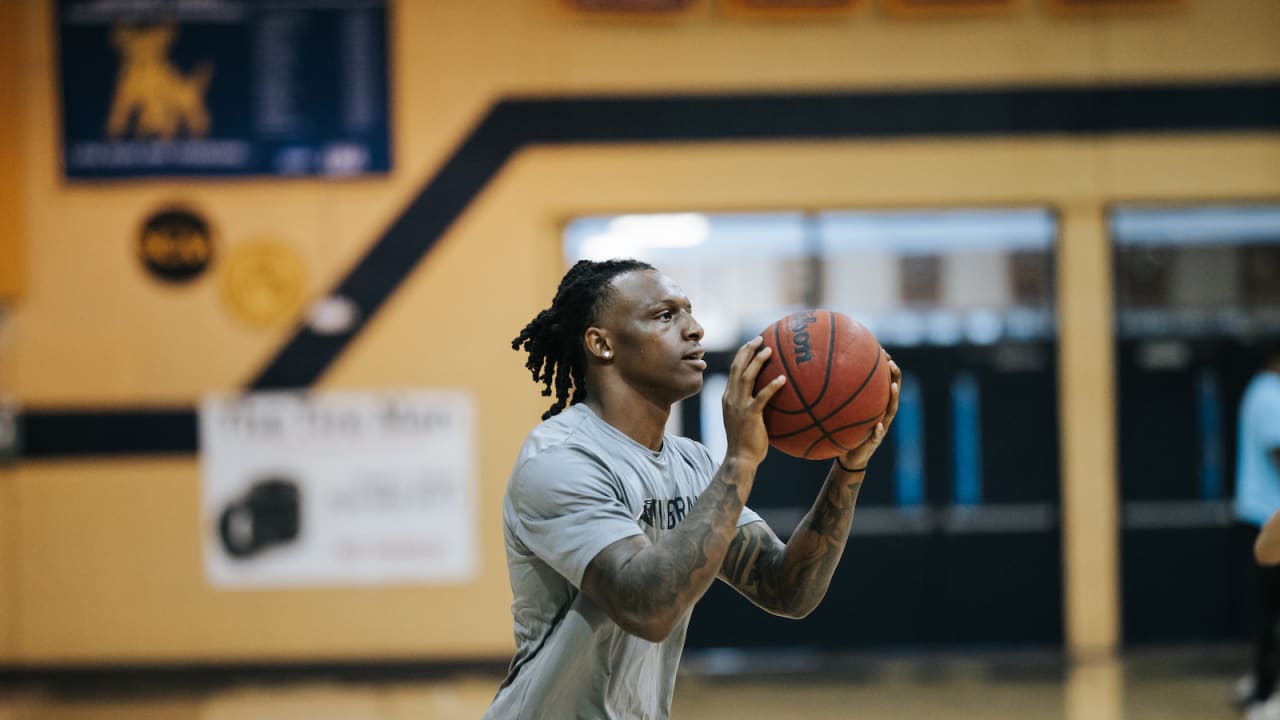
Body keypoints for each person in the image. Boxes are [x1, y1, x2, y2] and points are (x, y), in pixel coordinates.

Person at [483, 258, 900, 719]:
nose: (695, 329)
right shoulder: (561, 459)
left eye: (688, 311)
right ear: (601, 344)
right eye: (665, 315)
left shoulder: (694, 463)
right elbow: (648, 608)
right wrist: (740, 460)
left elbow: (787, 590)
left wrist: (849, 467)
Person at [1233, 342, 1280, 720]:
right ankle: (1265, 695)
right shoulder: (1268, 395)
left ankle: (1262, 686)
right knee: (1274, 615)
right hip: (1267, 517)